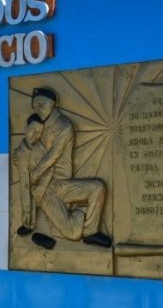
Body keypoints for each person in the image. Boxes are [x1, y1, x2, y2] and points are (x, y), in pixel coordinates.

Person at [18, 86, 111, 249]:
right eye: (35, 107)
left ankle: (90, 231)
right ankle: (75, 213)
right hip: (45, 190)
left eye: (40, 105)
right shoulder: (36, 127)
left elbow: (54, 154)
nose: (37, 110)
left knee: (98, 188)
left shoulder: (64, 126)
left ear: (52, 104)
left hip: (61, 184)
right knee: (72, 234)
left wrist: (36, 173)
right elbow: (26, 156)